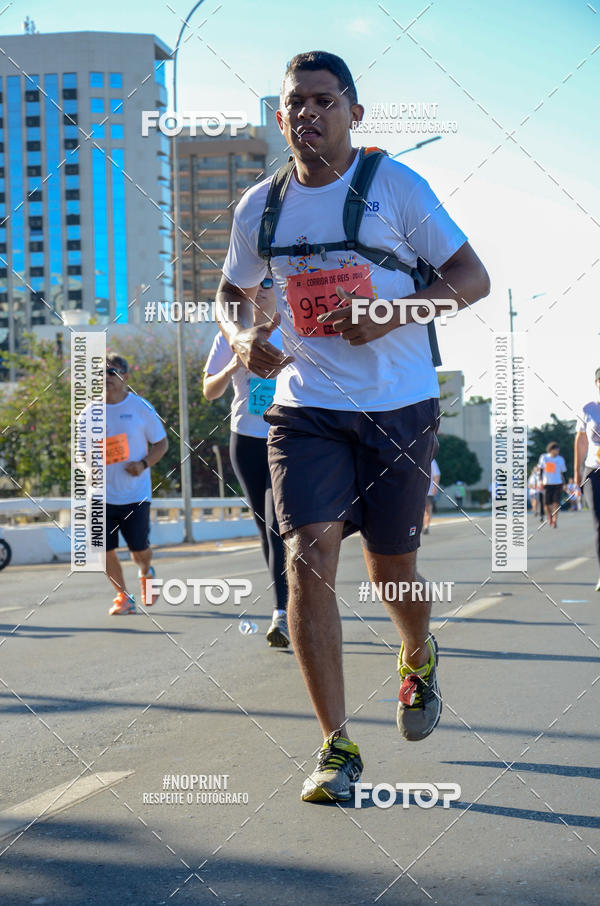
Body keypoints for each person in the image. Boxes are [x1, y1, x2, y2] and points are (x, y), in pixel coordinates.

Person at [215, 50, 490, 803]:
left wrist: (392, 311)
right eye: (294, 103)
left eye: (323, 101)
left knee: (391, 570)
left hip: (398, 404)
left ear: (354, 113)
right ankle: (336, 748)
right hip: (305, 411)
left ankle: (416, 652)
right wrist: (244, 339)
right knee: (308, 556)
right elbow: (232, 292)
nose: (307, 113)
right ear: (280, 117)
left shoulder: (395, 186)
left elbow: (472, 279)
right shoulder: (259, 208)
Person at [203, 280, 290, 647]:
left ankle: (283, 614)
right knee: (266, 529)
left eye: (267, 282)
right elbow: (209, 390)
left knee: (279, 525)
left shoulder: (296, 328)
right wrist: (233, 365)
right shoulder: (229, 336)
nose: (259, 290)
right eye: (251, 285)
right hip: (247, 441)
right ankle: (286, 606)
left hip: (289, 439)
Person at [103, 355, 168, 614]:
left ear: (125, 377)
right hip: (101, 495)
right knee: (103, 551)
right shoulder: (89, 412)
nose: (106, 377)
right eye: (102, 372)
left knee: (139, 550)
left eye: (112, 372)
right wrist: (88, 466)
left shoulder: (141, 407)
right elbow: (79, 450)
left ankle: (146, 571)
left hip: (135, 494)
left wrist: (142, 465)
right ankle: (123, 597)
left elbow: (162, 444)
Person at [574, 367, 600, 591]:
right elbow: (581, 441)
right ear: (596, 383)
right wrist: (576, 472)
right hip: (593, 471)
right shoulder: (588, 409)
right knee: (599, 522)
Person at [538, 442, 567, 528]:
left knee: (556, 503)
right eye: (556, 449)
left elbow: (563, 472)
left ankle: (555, 520)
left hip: (557, 483)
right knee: (547, 504)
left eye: (558, 449)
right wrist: (540, 480)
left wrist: (565, 484)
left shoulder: (560, 459)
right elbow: (541, 470)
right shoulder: (544, 457)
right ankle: (549, 516)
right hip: (547, 483)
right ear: (551, 450)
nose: (558, 451)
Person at [423, 458, 441, 534]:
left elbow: (436, 475)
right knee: (420, 510)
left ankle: (426, 526)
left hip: (428, 490)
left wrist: (435, 487)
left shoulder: (431, 460)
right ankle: (421, 526)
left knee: (427, 509)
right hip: (417, 490)